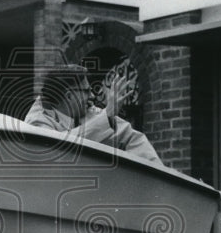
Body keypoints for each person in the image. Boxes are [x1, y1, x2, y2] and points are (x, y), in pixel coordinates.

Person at [24, 63, 162, 165]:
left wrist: (162, 178)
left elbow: (131, 138)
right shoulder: (37, 121)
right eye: (85, 91)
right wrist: (107, 114)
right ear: (69, 96)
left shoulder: (88, 111)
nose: (91, 96)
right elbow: (58, 150)